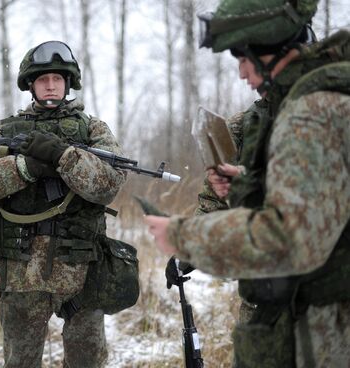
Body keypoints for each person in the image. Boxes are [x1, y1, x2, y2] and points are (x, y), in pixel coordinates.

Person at [145, 0, 350, 366]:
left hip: (328, 326)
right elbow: (320, 201)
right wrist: (246, 187)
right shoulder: (321, 100)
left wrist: (184, 238)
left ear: (269, 51)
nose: (241, 73)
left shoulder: (311, 114)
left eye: (243, 58)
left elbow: (290, 238)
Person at [0, 40, 126, 368]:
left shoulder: (92, 129)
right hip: (21, 268)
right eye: (42, 80)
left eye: (57, 78)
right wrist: (27, 167)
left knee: (88, 361)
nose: (50, 85)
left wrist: (63, 156)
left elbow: (109, 184)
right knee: (20, 361)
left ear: (68, 84)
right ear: (30, 86)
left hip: (81, 265)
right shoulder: (5, 130)